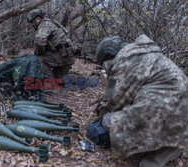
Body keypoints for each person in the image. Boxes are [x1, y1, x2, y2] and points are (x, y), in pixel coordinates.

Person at [92, 34, 188, 167]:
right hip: (181, 122)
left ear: (108, 56)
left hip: (162, 115)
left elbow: (113, 103)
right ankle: (164, 150)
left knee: (106, 121)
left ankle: (158, 150)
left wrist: (100, 116)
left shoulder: (124, 61)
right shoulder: (147, 54)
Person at [27, 9, 79, 79]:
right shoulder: (52, 22)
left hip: (63, 55)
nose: (32, 24)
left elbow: (39, 43)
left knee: (39, 59)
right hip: (69, 56)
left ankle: (48, 82)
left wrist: (38, 53)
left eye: (32, 22)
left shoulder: (44, 25)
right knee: (59, 78)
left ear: (38, 18)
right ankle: (75, 79)